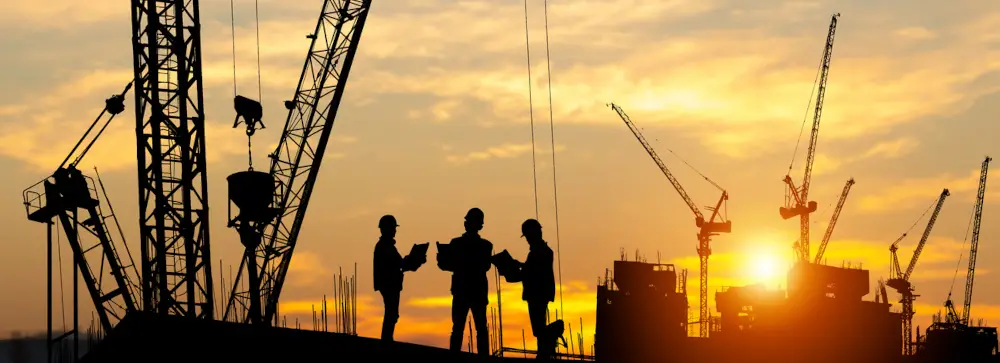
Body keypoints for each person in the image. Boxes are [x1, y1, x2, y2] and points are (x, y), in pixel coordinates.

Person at [444, 208, 494, 354]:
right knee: (468, 327)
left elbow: (484, 266)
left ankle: (460, 354)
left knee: (468, 327)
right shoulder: (485, 246)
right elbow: (485, 266)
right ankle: (480, 356)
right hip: (471, 291)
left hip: (466, 291)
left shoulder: (458, 244)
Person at [373, 214, 422, 342]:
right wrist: (412, 261)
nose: (395, 231)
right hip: (389, 285)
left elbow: (399, 264)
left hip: (391, 284)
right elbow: (398, 264)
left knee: (392, 313)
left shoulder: (387, 246)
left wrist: (412, 262)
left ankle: (387, 339)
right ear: (387, 229)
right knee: (391, 313)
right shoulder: (385, 247)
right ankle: (387, 340)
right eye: (393, 228)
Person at [512, 219, 557, 357]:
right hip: (540, 294)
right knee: (539, 326)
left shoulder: (538, 252)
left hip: (536, 294)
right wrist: (520, 265)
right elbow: (531, 269)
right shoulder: (544, 251)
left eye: (527, 236)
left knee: (539, 328)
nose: (527, 240)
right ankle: (544, 351)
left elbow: (530, 272)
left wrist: (513, 270)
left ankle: (545, 351)